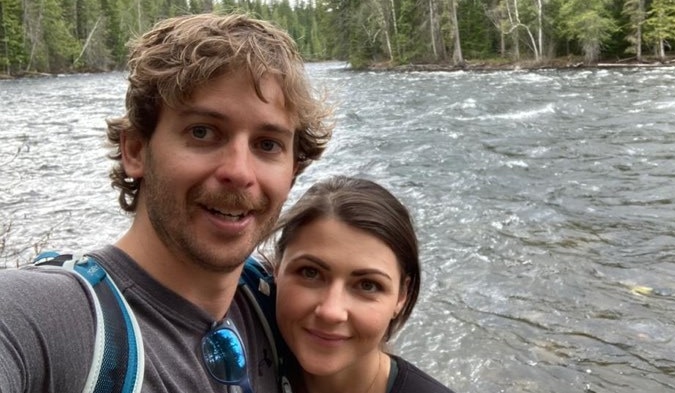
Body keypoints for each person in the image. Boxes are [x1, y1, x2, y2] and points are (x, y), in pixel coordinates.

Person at [0, 13, 332, 393]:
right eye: (203, 132)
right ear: (136, 150)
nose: (240, 172)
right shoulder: (48, 319)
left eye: (267, 144)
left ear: (292, 172)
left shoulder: (280, 309)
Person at [264, 176, 455, 393]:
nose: (331, 312)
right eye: (310, 272)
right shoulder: (237, 353)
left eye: (367, 285)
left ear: (403, 296)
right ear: (277, 268)